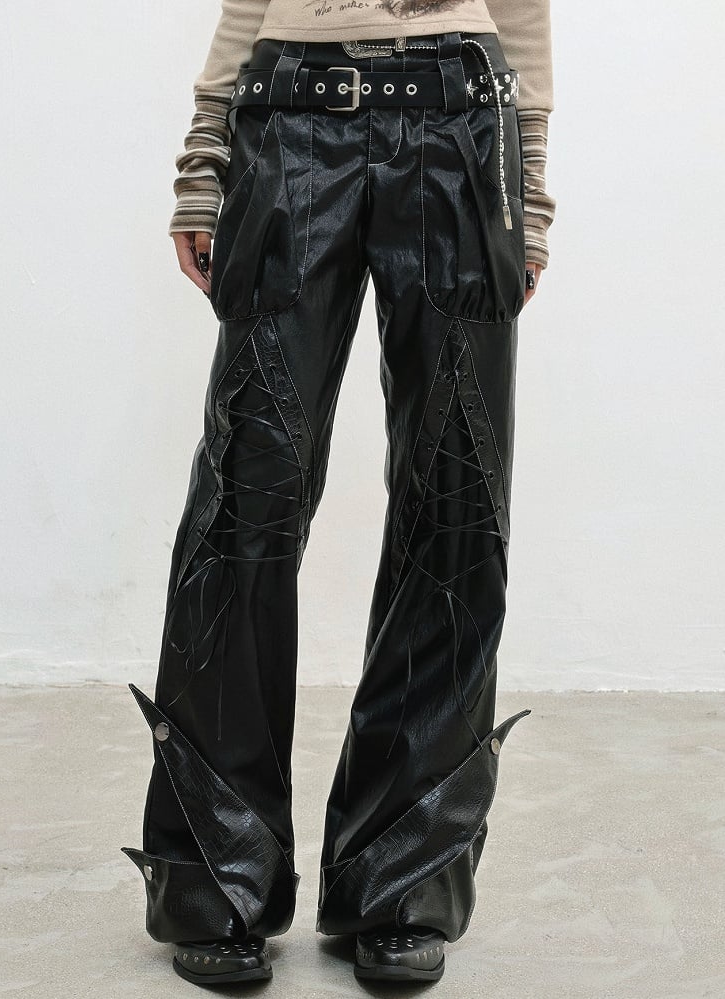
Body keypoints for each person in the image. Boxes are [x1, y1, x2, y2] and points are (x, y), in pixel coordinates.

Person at [121, 0, 556, 986]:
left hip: (460, 130)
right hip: (287, 128)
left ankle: (402, 880)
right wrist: (204, 166)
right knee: (247, 492)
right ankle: (217, 876)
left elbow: (524, 9)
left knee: (457, 500)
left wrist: (526, 193)